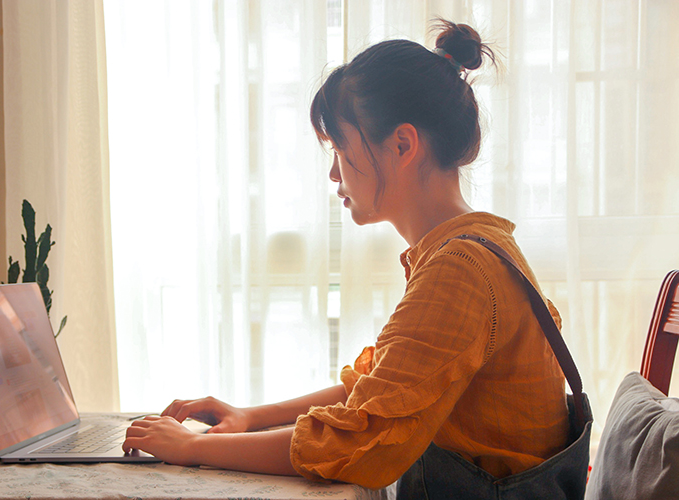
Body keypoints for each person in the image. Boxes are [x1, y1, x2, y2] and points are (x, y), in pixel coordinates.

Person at [122, 20, 580, 496]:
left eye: (339, 147)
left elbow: (361, 440)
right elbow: (378, 389)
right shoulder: (474, 248)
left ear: (402, 145)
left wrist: (192, 447)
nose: (332, 172)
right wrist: (250, 416)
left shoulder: (460, 269)